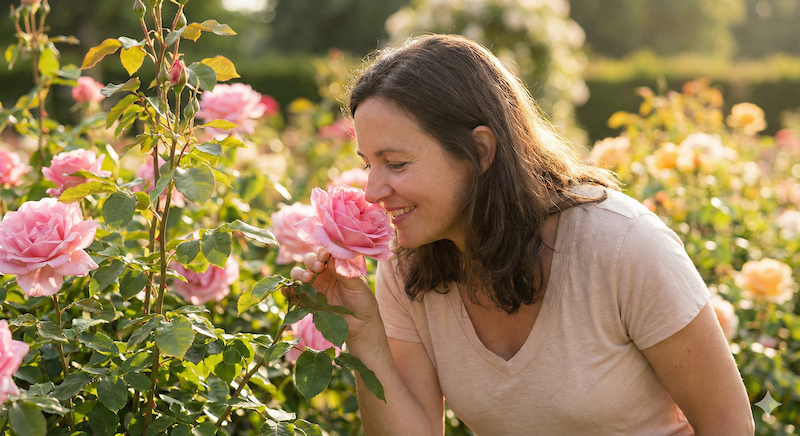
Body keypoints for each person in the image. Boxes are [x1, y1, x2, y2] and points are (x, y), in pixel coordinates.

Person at [290, 34, 754, 436]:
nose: (371, 191)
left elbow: (729, 425)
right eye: (367, 163)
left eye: (397, 163)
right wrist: (364, 334)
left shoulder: (622, 245)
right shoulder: (406, 267)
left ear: (480, 150)